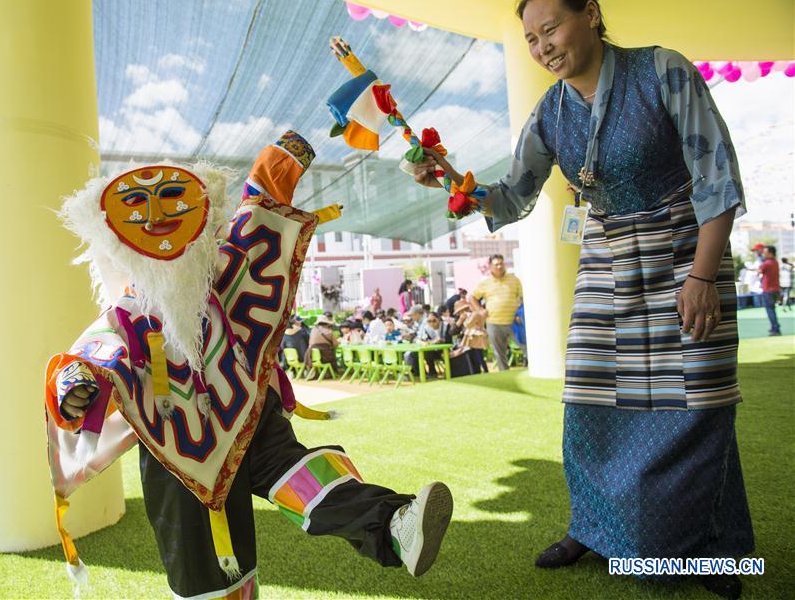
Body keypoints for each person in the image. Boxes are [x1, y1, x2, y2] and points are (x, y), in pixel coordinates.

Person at [412, 0, 752, 597]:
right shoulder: (550, 109)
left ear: (591, 15)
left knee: (699, 405)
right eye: (531, 38)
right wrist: (450, 180)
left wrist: (704, 275)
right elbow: (511, 196)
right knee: (591, 404)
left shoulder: (662, 71)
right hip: (606, 258)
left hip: (685, 251)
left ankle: (716, 554)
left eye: (551, 29)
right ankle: (592, 528)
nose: (541, 47)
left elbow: (716, 176)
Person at [47, 133, 454, 600]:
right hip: (179, 447)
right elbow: (94, 356)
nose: (158, 218)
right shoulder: (124, 316)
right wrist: (74, 382)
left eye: (171, 200)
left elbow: (257, 219)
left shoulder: (223, 272)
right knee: (207, 577)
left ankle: (395, 524)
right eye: (138, 206)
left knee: (302, 477)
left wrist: (281, 160)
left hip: (244, 411)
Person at [469, 255, 525, 371]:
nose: (499, 266)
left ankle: (536, 370)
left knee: (526, 347)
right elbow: (472, 297)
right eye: (496, 264)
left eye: (501, 264)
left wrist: (521, 313)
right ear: (490, 267)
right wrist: (480, 310)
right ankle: (504, 375)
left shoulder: (514, 280)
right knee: (500, 354)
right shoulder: (485, 283)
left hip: (514, 322)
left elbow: (523, 298)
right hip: (494, 323)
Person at [453, 300, 489, 374]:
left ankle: (485, 370)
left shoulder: (474, 315)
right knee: (474, 356)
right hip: (472, 337)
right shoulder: (473, 314)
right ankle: (478, 371)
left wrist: (463, 320)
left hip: (476, 337)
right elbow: (453, 331)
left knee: (478, 356)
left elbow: (468, 324)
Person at [757, 245, 782, 335]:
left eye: (765, 252)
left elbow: (759, 271)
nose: (764, 253)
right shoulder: (775, 262)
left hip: (768, 290)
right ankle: (774, 327)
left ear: (770, 253)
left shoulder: (766, 263)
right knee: (772, 309)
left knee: (770, 310)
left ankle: (775, 329)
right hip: (775, 289)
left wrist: (759, 257)